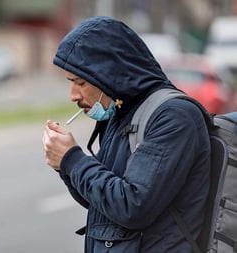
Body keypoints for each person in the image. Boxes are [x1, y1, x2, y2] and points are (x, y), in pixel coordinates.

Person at [42, 16, 210, 252]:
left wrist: (72, 159)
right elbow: (100, 202)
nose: (73, 95)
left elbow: (133, 206)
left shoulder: (174, 116)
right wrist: (64, 165)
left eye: (80, 82)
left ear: (108, 73)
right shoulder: (123, 113)